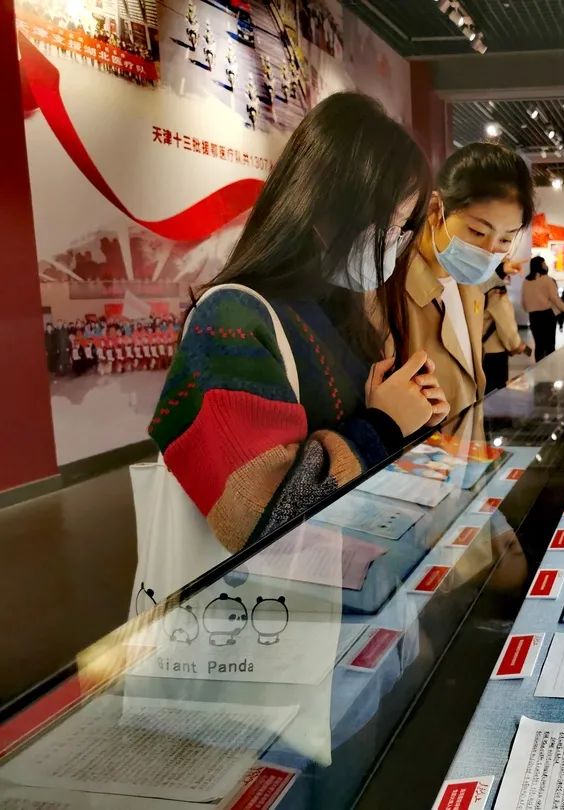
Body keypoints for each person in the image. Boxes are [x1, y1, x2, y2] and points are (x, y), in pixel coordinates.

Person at [148, 92, 449, 553]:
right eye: (381, 225)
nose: (391, 243)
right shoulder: (231, 317)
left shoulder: (339, 309)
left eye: (401, 228)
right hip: (263, 591)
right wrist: (385, 425)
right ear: (318, 204)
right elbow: (256, 517)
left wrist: (412, 416)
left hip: (336, 574)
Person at [403, 142, 535, 414]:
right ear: (435, 211)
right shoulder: (392, 290)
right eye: (477, 232)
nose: (489, 251)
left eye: (506, 239)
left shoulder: (472, 288)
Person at [481, 262, 529, 392]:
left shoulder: (477, 286)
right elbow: (505, 323)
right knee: (495, 391)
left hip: (478, 348)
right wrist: (517, 345)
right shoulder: (496, 291)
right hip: (493, 351)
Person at [522, 255, 564, 360]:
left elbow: (524, 301)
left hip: (533, 317)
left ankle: (539, 367)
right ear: (540, 265)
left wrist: (529, 309)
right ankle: (550, 366)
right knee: (550, 345)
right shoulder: (547, 280)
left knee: (539, 345)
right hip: (547, 316)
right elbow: (555, 298)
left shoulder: (526, 281)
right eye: (544, 263)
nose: (546, 265)